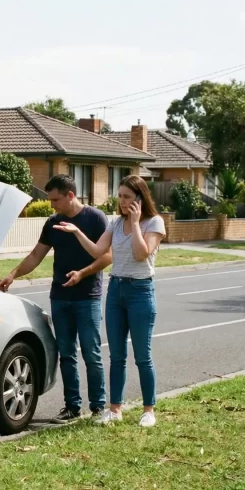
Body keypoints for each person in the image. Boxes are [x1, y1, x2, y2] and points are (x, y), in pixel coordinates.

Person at [0, 174, 112, 423]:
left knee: (91, 353)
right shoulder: (52, 223)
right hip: (60, 297)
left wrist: (82, 273)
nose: (52, 205)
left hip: (87, 298)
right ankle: (72, 407)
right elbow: (37, 254)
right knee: (66, 354)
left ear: (70, 195)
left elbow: (107, 257)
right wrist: (13, 274)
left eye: (55, 199)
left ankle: (98, 408)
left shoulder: (95, 218)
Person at [54, 175, 164, 428]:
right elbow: (97, 251)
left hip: (140, 291)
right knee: (116, 356)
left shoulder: (154, 223)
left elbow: (141, 254)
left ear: (140, 198)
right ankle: (115, 409)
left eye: (127, 196)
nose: (122, 201)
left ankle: (149, 410)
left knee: (142, 356)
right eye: (120, 196)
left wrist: (136, 223)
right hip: (116, 290)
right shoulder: (115, 224)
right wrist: (77, 232)